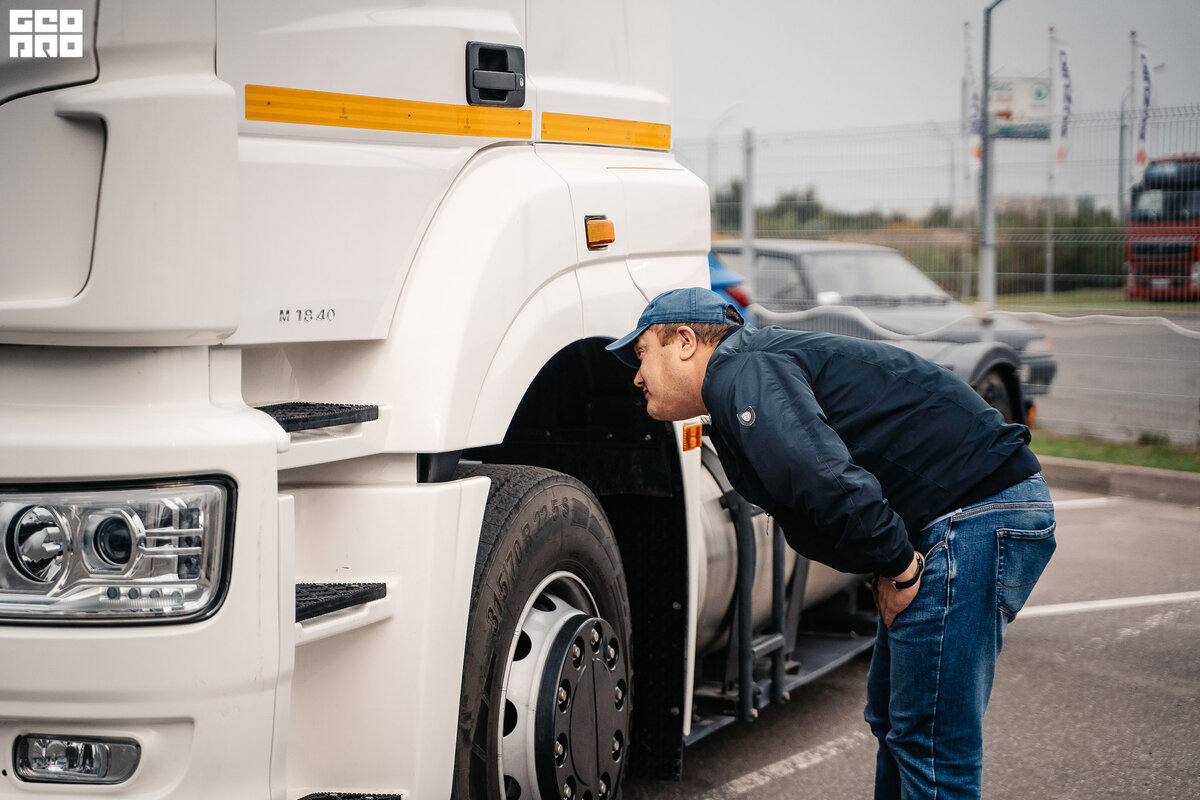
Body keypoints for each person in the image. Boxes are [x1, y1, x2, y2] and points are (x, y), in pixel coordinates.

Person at [606, 286, 1056, 800]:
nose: (636, 375)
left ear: (684, 340)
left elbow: (825, 478)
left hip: (976, 514)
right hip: (970, 512)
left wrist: (900, 566)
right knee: (894, 719)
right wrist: (890, 562)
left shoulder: (740, 371)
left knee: (931, 746)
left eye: (641, 354)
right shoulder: (746, 374)